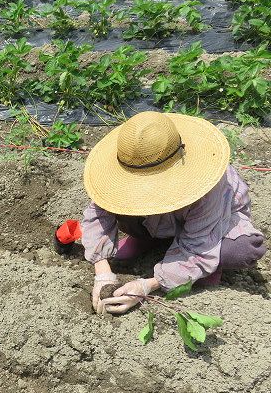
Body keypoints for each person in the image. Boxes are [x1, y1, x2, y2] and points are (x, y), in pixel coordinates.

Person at [81, 111, 266, 315]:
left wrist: (149, 285)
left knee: (241, 250)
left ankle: (201, 266)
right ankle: (152, 239)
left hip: (214, 222)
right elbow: (98, 214)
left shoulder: (207, 183)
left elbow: (201, 243)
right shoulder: (127, 166)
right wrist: (102, 272)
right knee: (118, 207)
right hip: (163, 222)